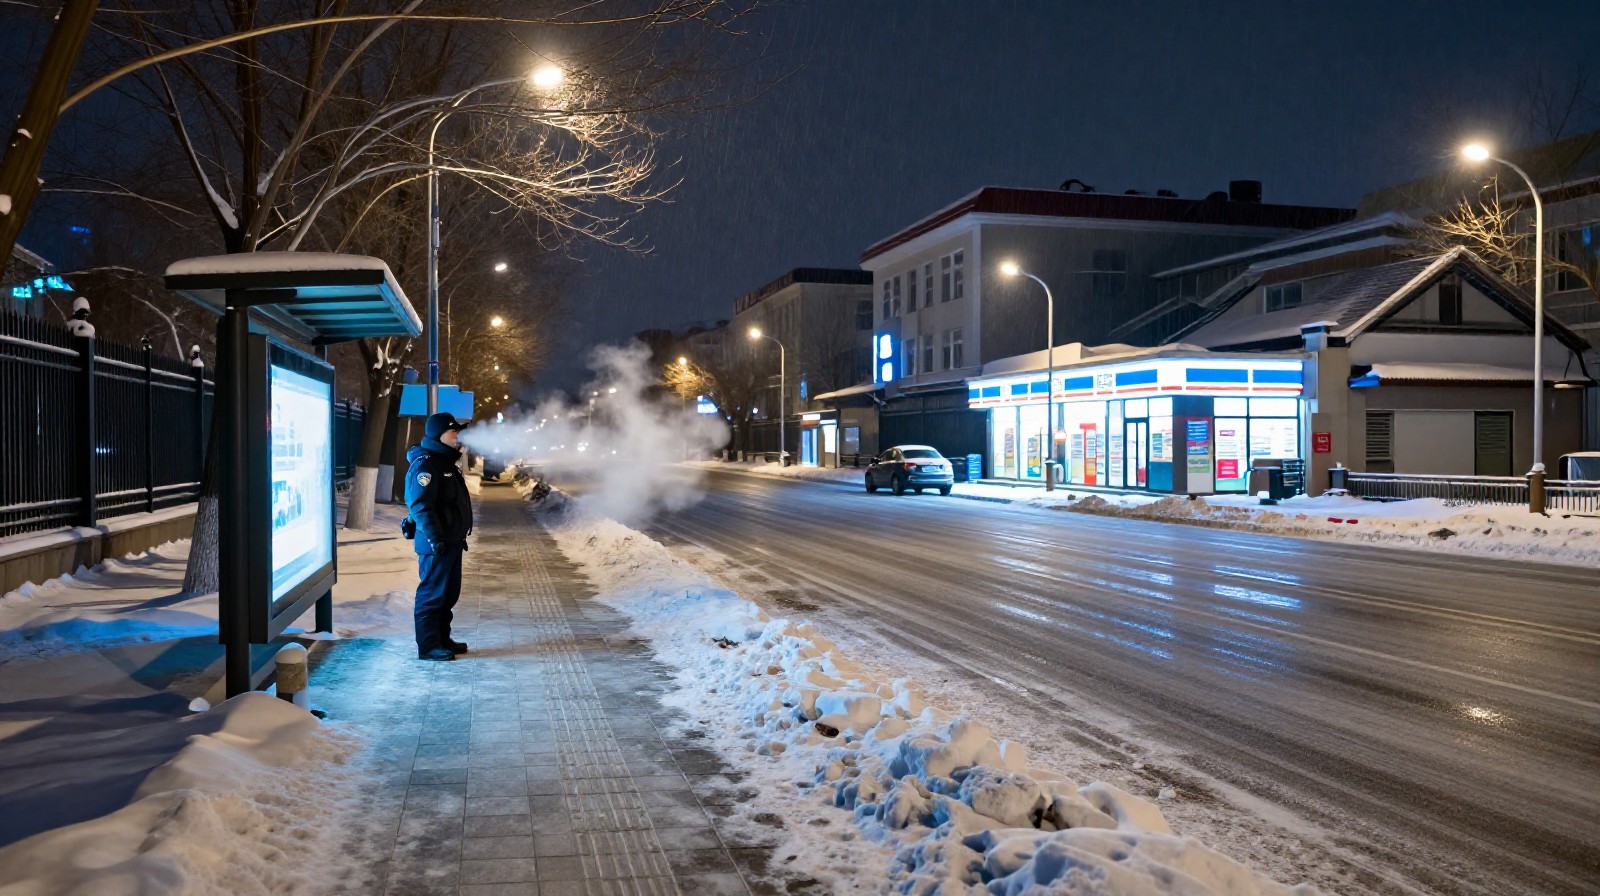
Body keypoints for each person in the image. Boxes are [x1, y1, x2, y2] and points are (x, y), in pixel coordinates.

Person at [405, 412, 474, 661]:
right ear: (438, 434)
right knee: (432, 595)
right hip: (437, 544)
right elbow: (421, 506)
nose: (457, 435)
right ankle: (428, 646)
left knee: (447, 595)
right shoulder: (427, 465)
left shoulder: (443, 462)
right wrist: (435, 539)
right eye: (452, 431)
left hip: (451, 542)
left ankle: (443, 639)